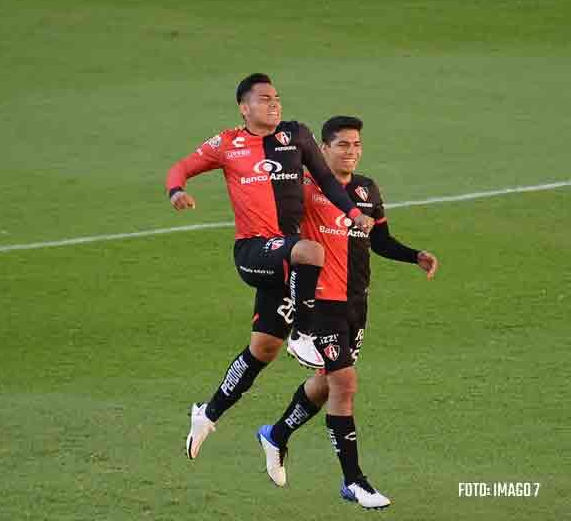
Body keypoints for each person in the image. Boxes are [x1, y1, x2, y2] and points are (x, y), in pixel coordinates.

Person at [165, 74, 375, 460]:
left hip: (286, 260)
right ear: (245, 108)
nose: (274, 104)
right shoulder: (227, 144)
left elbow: (327, 180)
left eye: (277, 98)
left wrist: (352, 212)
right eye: (264, 99)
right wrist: (177, 190)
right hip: (255, 251)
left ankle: (208, 414)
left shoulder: (296, 135)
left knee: (262, 348)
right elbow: (180, 167)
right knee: (311, 252)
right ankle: (305, 330)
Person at [254, 116, 438, 509]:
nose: (351, 151)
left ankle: (276, 434)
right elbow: (277, 222)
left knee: (326, 384)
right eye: (342, 144)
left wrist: (414, 256)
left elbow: (380, 240)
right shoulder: (305, 187)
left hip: (357, 303)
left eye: (356, 144)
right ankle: (353, 481)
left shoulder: (367, 189)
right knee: (346, 386)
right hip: (321, 303)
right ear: (323, 149)